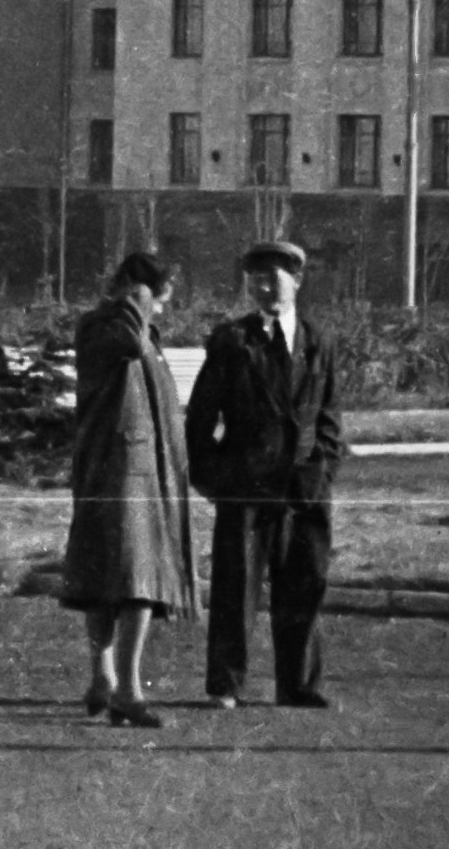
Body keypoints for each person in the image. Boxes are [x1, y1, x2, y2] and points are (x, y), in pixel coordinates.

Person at [184, 239, 343, 709]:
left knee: (305, 584)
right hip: (246, 487)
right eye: (256, 278)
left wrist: (325, 468)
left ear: (297, 281)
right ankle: (226, 685)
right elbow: (199, 419)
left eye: (274, 278)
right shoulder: (233, 340)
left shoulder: (318, 341)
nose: (264, 287)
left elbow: (329, 415)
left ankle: (298, 685)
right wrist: (214, 479)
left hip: (305, 489)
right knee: (236, 588)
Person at [59, 249, 199, 728]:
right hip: (119, 470)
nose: (158, 309)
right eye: (158, 299)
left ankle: (104, 681)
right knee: (137, 581)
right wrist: (136, 298)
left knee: (119, 578)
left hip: (140, 470)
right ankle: (127, 690)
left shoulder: (132, 329)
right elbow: (129, 344)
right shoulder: (106, 327)